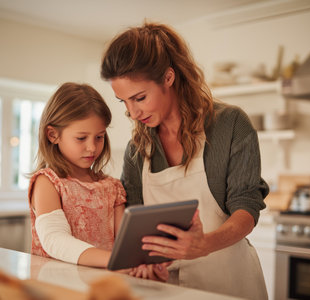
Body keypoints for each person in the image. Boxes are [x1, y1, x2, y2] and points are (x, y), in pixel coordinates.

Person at [100, 23, 269, 299]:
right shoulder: (136, 149)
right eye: (124, 102)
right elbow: (135, 225)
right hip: (162, 289)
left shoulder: (230, 125)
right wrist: (144, 262)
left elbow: (247, 208)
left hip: (229, 285)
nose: (132, 112)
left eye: (140, 97)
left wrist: (204, 244)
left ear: (168, 77)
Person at [28, 82, 168, 281]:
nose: (92, 147)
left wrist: (143, 264)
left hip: (105, 287)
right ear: (53, 135)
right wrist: (117, 260)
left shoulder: (112, 187)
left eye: (99, 137)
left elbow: (126, 242)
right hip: (59, 286)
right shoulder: (48, 182)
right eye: (81, 138)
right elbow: (54, 240)